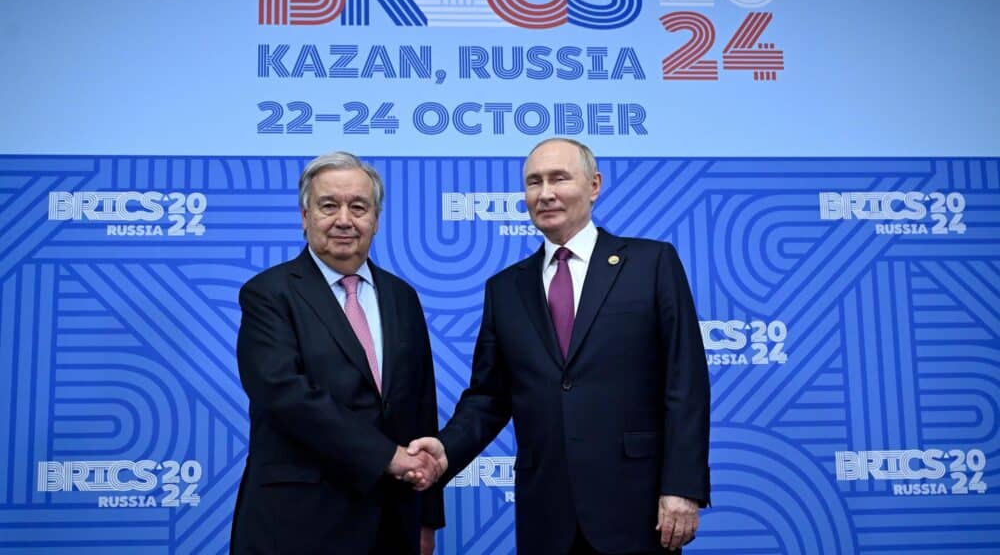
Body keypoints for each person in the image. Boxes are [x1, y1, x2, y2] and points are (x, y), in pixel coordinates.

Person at [410, 138, 711, 554]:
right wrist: (444, 450)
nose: (545, 193)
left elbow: (686, 382)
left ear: (594, 185)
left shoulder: (651, 264)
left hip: (638, 510)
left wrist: (682, 487)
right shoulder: (505, 289)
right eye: (534, 182)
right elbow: (489, 397)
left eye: (559, 178)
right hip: (546, 515)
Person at [231, 152, 444, 554]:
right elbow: (284, 396)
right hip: (296, 524)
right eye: (329, 205)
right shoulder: (268, 294)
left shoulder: (402, 297)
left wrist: (426, 517)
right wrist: (387, 457)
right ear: (304, 215)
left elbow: (421, 407)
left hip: (392, 522)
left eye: (358, 207)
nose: (344, 219)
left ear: (376, 220)